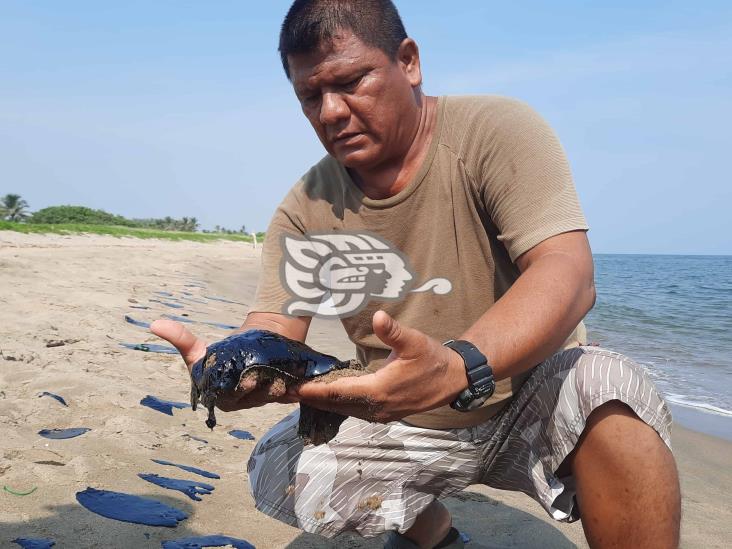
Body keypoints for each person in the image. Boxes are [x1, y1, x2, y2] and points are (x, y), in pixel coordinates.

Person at [152, 1, 681, 547]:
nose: (331, 111)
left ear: (408, 62)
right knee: (278, 473)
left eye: (352, 81)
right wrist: (231, 371)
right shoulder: (304, 207)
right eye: (310, 96)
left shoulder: (496, 131)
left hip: (529, 398)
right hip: (398, 412)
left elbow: (568, 271)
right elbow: (276, 330)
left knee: (611, 386)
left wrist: (458, 366)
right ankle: (430, 529)